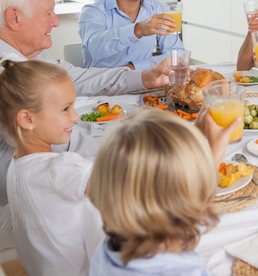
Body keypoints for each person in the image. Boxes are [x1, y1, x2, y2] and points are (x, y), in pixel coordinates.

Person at [0, 0, 171, 234]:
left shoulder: (26, 58)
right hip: (17, 206)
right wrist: (137, 129)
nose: (55, 22)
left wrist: (144, 79)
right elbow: (66, 141)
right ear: (14, 18)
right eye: (48, 13)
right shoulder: (10, 72)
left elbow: (80, 78)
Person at [86, 108, 235, 275]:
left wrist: (195, 136)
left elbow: (163, 184)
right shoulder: (181, 271)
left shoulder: (112, 246)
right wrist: (213, 157)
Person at [0, 59, 103, 276]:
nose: (75, 117)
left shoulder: (16, 169)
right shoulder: (60, 169)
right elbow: (128, 185)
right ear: (27, 119)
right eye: (66, 109)